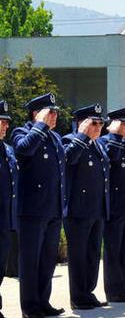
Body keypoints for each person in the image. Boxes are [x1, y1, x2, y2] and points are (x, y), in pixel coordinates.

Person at [12, 93, 66, 318]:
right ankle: (30, 307)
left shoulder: (54, 138)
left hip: (53, 208)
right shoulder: (22, 132)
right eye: (50, 112)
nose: (54, 117)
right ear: (36, 113)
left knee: (47, 260)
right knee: (30, 261)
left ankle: (43, 301)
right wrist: (40, 126)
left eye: (55, 113)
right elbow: (23, 150)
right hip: (33, 210)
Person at [62, 104, 110, 310]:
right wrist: (81, 136)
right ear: (81, 123)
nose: (99, 127)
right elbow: (68, 159)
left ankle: (88, 291)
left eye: (101, 123)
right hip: (78, 210)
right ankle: (78, 296)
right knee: (79, 255)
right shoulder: (71, 141)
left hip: (97, 208)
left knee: (92, 254)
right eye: (94, 123)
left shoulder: (96, 144)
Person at [98, 107, 125, 303]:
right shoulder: (107, 142)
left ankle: (124, 286)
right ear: (114, 124)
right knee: (114, 249)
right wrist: (114, 135)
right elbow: (110, 160)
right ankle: (113, 290)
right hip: (115, 205)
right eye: (123, 123)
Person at [0, 101, 17, 318]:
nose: (5, 126)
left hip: (4, 219)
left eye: (6, 123)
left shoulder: (7, 149)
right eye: (1, 122)